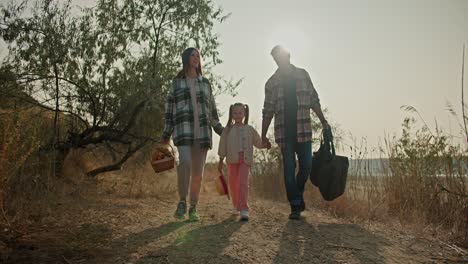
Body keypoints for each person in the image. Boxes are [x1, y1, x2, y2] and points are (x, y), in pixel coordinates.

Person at [261, 45, 329, 220]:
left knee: (307, 166)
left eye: (281, 56)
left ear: (288, 56)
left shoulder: (303, 75)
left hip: (304, 130)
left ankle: (297, 192)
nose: (279, 60)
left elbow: (314, 99)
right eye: (276, 58)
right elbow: (267, 111)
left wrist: (323, 121)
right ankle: (295, 205)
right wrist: (263, 135)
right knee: (289, 169)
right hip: (285, 134)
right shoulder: (271, 83)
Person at [160, 47, 224, 221]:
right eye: (192, 55)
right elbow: (169, 109)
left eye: (198, 55)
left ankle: (193, 207)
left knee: (197, 174)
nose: (196, 58)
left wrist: (221, 130)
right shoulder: (176, 83)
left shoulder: (206, 83)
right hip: (183, 132)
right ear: (186, 58)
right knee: (185, 163)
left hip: (202, 134)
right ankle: (182, 201)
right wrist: (166, 133)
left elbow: (212, 112)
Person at [218, 103, 269, 221]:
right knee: (233, 184)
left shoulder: (249, 129)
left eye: (240, 113)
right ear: (231, 114)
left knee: (243, 183)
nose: (237, 115)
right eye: (235, 113)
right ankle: (236, 205)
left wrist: (265, 144)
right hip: (231, 160)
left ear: (244, 114)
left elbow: (258, 142)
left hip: (245, 160)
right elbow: (222, 146)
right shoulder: (228, 130)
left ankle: (244, 209)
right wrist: (220, 160)